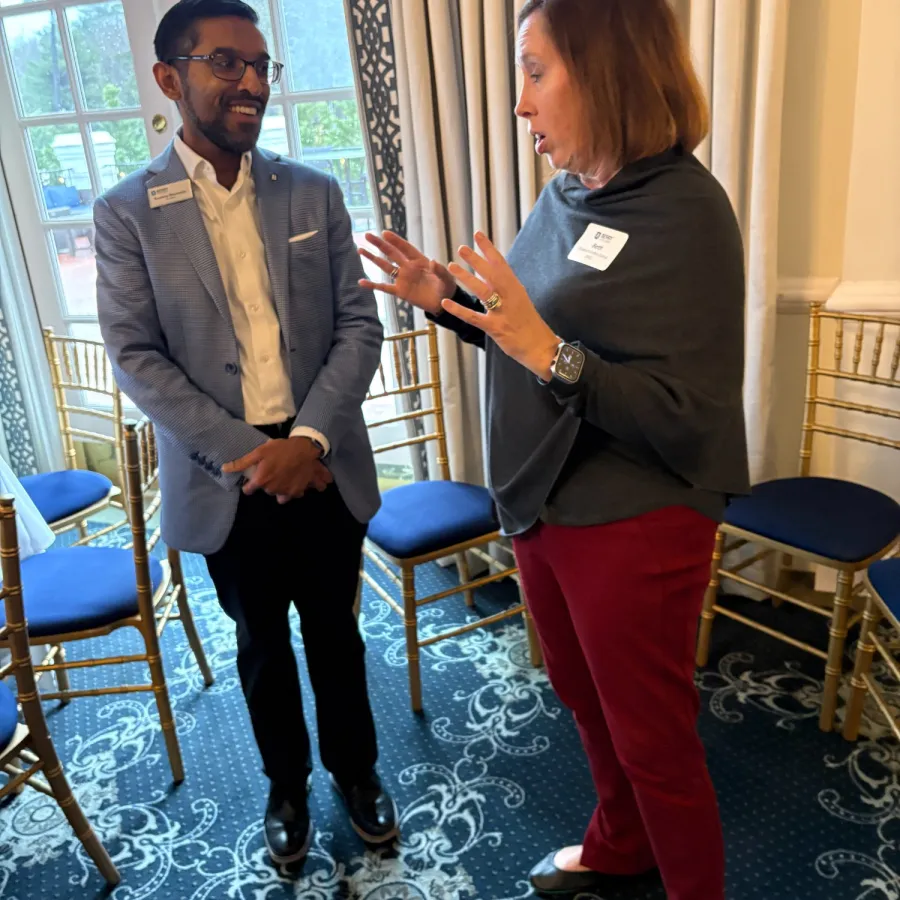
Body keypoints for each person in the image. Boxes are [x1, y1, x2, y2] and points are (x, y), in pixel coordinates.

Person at [360, 0, 749, 897]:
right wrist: (445, 296)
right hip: (544, 502)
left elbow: (685, 409)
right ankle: (621, 845)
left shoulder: (687, 213)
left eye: (536, 73)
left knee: (655, 739)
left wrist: (547, 350)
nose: (520, 104)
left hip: (636, 515)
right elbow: (529, 326)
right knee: (581, 697)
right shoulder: (569, 193)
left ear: (607, 69)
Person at [95, 0, 397, 867]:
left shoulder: (312, 190)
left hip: (324, 460)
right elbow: (138, 358)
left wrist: (308, 440)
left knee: (337, 633)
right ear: (169, 78)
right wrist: (250, 451)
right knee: (262, 643)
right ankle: (287, 787)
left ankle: (358, 770)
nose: (252, 83)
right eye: (227, 63)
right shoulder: (127, 214)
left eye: (261, 66)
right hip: (227, 476)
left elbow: (358, 326)